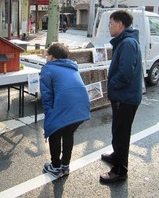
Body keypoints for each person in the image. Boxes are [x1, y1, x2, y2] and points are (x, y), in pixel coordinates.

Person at [100, 10, 142, 183]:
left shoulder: (127, 43)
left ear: (120, 25)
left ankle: (120, 170)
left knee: (121, 134)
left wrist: (112, 86)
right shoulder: (125, 41)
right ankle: (117, 156)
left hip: (125, 98)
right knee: (118, 131)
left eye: (110, 23)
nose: (109, 27)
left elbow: (125, 74)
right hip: (124, 96)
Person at [40, 43, 90, 178]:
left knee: (55, 134)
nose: (46, 57)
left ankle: (55, 167)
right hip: (82, 108)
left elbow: (46, 96)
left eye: (47, 54)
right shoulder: (72, 67)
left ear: (52, 57)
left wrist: (49, 117)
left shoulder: (48, 68)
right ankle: (65, 165)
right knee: (68, 134)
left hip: (65, 107)